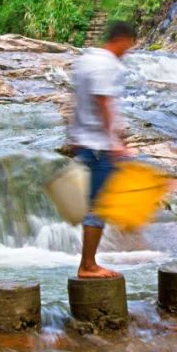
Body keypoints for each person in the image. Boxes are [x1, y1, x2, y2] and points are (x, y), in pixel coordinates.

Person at [68, 21, 137, 279]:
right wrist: (115, 141)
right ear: (122, 39)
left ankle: (90, 262)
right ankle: (88, 265)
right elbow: (104, 101)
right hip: (99, 145)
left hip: (85, 142)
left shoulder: (86, 59)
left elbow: (77, 100)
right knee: (98, 206)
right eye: (128, 46)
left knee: (98, 203)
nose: (127, 51)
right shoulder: (106, 64)